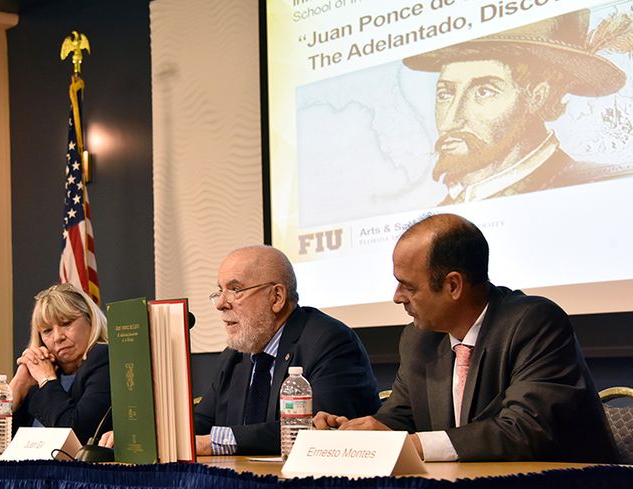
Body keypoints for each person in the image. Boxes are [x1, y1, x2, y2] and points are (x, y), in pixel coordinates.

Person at [313, 214, 616, 462]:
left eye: (409, 287)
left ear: (453, 286)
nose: (397, 298)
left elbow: (526, 430)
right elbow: (400, 419)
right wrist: (358, 432)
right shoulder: (419, 341)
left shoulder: (534, 324)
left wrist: (414, 445)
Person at [403, 9, 632, 205]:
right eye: (445, 94)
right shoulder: (447, 205)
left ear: (537, 96)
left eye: (484, 91)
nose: (450, 120)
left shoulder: (595, 185)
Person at [192, 245, 380, 456]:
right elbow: (202, 422)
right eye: (220, 290)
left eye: (235, 290)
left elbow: (313, 429)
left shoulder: (329, 342)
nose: (220, 303)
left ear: (277, 297)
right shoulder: (235, 356)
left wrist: (215, 442)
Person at [10, 283, 111, 443]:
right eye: (47, 331)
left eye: (66, 323)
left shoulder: (103, 358)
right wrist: (18, 386)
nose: (58, 337)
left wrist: (47, 380)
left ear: (90, 320)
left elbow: (76, 435)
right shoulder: (40, 372)